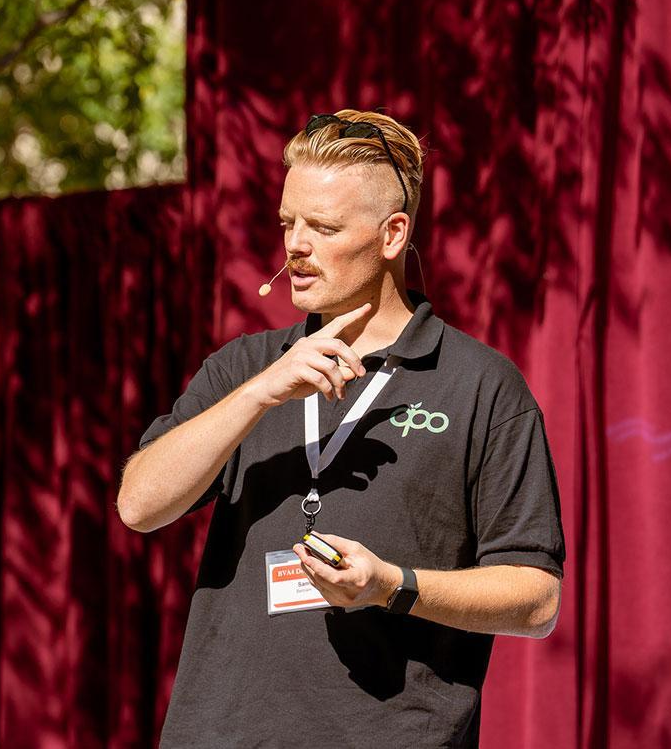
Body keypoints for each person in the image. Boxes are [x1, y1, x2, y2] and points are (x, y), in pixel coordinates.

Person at [117, 109, 566, 748]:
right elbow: (139, 504)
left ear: (392, 234)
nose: (295, 245)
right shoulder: (246, 367)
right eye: (287, 223)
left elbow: (535, 598)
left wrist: (391, 586)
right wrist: (260, 394)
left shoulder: (481, 387)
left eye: (323, 227)